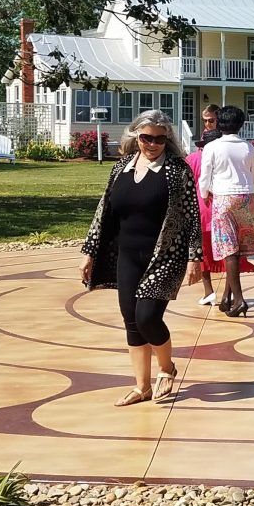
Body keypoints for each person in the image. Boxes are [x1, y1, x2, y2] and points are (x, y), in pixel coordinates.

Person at [79, 110, 201, 407]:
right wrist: (90, 252)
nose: (153, 144)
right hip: (127, 255)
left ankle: (167, 368)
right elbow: (104, 211)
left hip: (165, 255)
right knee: (131, 320)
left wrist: (194, 257)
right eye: (147, 138)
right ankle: (142, 386)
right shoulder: (121, 167)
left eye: (160, 139)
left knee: (147, 317)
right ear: (136, 136)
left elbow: (191, 217)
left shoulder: (177, 170)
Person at [185, 128, 254, 305]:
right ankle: (228, 292)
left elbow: (189, 184)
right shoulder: (236, 151)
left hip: (202, 208)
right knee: (231, 251)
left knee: (204, 252)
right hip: (228, 203)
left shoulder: (192, 159)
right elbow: (252, 175)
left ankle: (208, 291)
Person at [198, 105, 254, 317]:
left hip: (223, 196)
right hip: (246, 196)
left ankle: (239, 299)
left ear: (219, 123)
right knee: (238, 248)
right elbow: (253, 174)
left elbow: (205, 176)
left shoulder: (212, 147)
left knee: (228, 248)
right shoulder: (248, 147)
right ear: (240, 124)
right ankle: (227, 296)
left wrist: (204, 193)